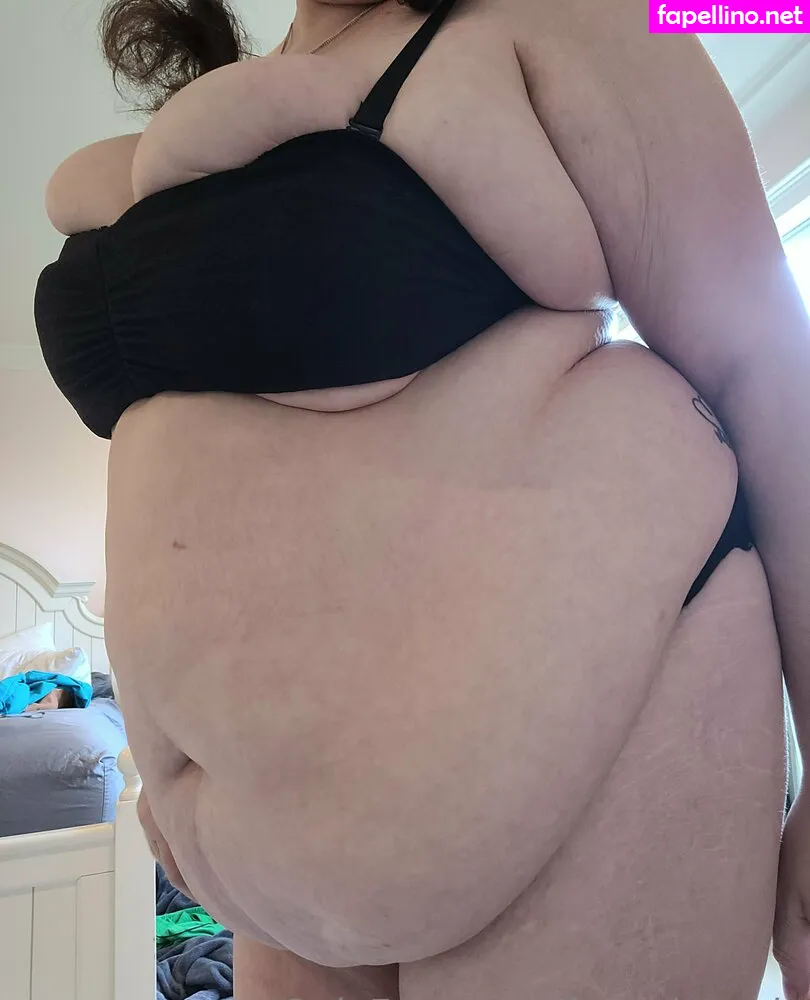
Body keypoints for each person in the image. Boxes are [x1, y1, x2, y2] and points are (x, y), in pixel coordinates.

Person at [34, 0, 810, 996]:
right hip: (273, 847)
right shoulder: (233, 97)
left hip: (582, 753)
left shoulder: (560, 20)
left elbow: (762, 358)